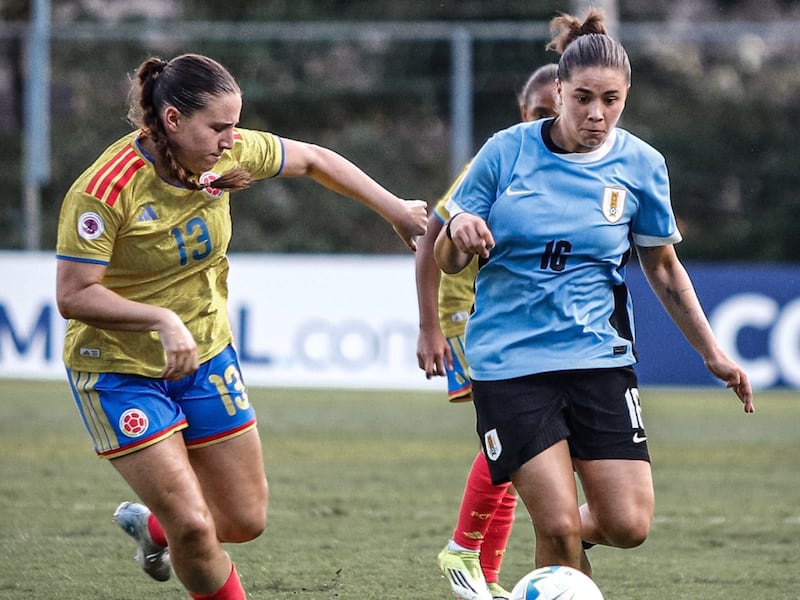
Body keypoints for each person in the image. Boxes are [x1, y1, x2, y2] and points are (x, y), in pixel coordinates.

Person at [55, 53, 427, 600]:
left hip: (206, 355)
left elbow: (315, 160)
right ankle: (175, 527)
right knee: (194, 526)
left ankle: (154, 526)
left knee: (244, 520)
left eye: (235, 124)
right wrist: (160, 319)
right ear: (173, 120)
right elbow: (73, 295)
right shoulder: (104, 191)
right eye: (219, 127)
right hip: (118, 372)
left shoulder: (223, 153)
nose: (232, 139)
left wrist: (394, 209)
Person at [433, 8, 754, 581]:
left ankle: (548, 548)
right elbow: (445, 257)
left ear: (626, 97)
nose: (596, 114)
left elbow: (663, 267)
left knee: (628, 524)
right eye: (582, 98)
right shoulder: (505, 152)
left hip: (598, 359)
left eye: (611, 100)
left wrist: (713, 352)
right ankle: (552, 550)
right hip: (511, 363)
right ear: (558, 91)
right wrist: (458, 233)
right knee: (558, 528)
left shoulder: (642, 166)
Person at [415, 64, 558, 600]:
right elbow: (431, 238)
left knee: (516, 449)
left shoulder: (563, 168)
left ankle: (488, 576)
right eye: (539, 112)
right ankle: (463, 550)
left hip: (511, 317)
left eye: (555, 113)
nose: (548, 121)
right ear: (523, 112)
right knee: (513, 436)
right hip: (467, 312)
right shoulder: (495, 160)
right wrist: (429, 326)